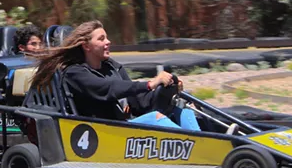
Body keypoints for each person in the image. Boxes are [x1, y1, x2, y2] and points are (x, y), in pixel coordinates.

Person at [30, 20, 200, 131]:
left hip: (124, 127)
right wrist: (149, 84)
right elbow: (107, 88)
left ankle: (207, 147)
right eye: (101, 39)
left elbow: (139, 101)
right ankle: (192, 149)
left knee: (181, 106)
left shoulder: (112, 67)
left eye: (107, 38)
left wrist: (166, 89)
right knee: (155, 119)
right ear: (86, 46)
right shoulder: (74, 73)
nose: (108, 42)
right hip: (104, 131)